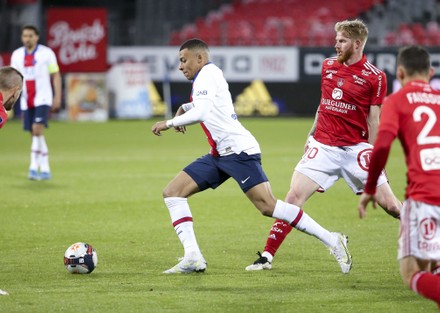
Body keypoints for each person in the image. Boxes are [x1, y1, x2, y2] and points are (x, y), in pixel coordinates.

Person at [151, 38, 352, 274]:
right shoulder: (207, 76)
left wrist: (169, 122)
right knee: (173, 193)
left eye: (184, 60)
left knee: (268, 206)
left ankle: (332, 240)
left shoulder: (207, 74)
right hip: (219, 155)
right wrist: (185, 108)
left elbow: (203, 111)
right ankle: (193, 257)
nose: (180, 66)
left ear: (199, 58)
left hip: (239, 152)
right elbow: (211, 106)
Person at [245, 19, 401, 272]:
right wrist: (311, 134)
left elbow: (375, 118)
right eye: (336, 39)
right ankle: (267, 256)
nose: (336, 44)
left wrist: (374, 155)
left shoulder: (375, 77)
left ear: (357, 43)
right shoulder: (328, 66)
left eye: (342, 40)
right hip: (324, 146)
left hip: (356, 150)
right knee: (293, 198)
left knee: (392, 207)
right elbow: (324, 102)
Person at [359, 45, 440, 308]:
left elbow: (381, 146)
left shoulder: (396, 100)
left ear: (400, 73)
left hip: (425, 197)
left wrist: (370, 187)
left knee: (411, 274)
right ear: (430, 72)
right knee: (434, 266)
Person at [10, 25, 62, 180]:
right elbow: (13, 79)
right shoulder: (17, 55)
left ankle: (33, 167)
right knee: (34, 133)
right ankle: (45, 168)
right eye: (25, 36)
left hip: (43, 98)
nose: (28, 38)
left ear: (37, 37)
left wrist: (57, 97)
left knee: (37, 129)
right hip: (27, 99)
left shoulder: (47, 53)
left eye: (31, 35)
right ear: (21, 38)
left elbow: (56, 75)